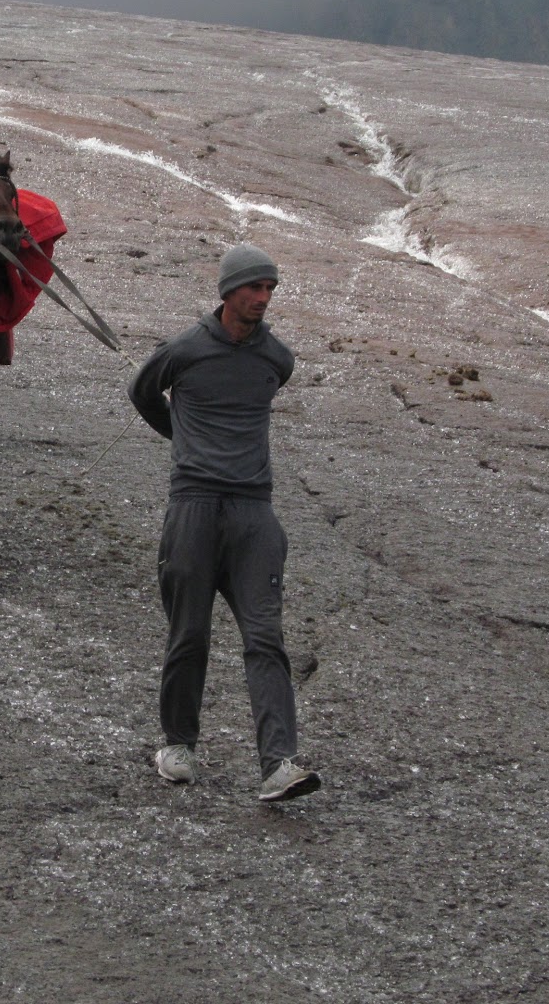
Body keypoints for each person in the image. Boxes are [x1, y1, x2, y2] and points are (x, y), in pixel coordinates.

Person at [128, 243, 321, 803]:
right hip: (192, 506)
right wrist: (183, 439)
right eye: (254, 288)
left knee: (266, 637)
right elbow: (143, 393)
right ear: (227, 291)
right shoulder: (184, 350)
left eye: (270, 289)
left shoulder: (276, 360)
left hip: (254, 512)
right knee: (189, 633)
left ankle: (279, 764)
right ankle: (178, 745)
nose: (263, 298)